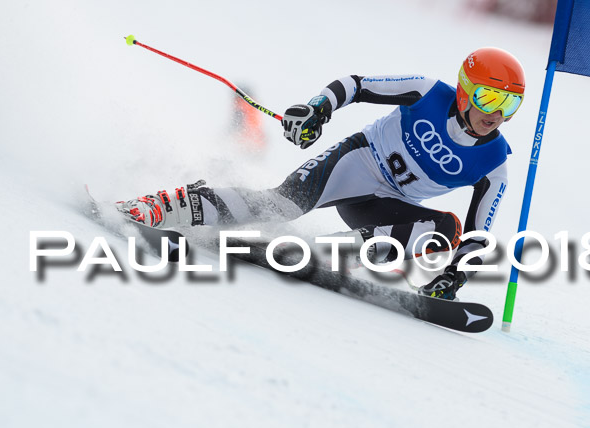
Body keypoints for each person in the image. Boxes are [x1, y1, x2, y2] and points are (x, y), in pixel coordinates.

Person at [117, 47, 526, 301]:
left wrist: (456, 275)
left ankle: (326, 255)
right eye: (488, 97)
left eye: (509, 105)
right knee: (279, 204)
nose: (495, 114)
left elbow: (478, 234)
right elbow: (357, 84)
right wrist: (318, 109)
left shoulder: (495, 166)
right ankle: (159, 207)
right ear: (463, 90)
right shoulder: (426, 91)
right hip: (358, 163)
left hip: (386, 206)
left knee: (447, 229)